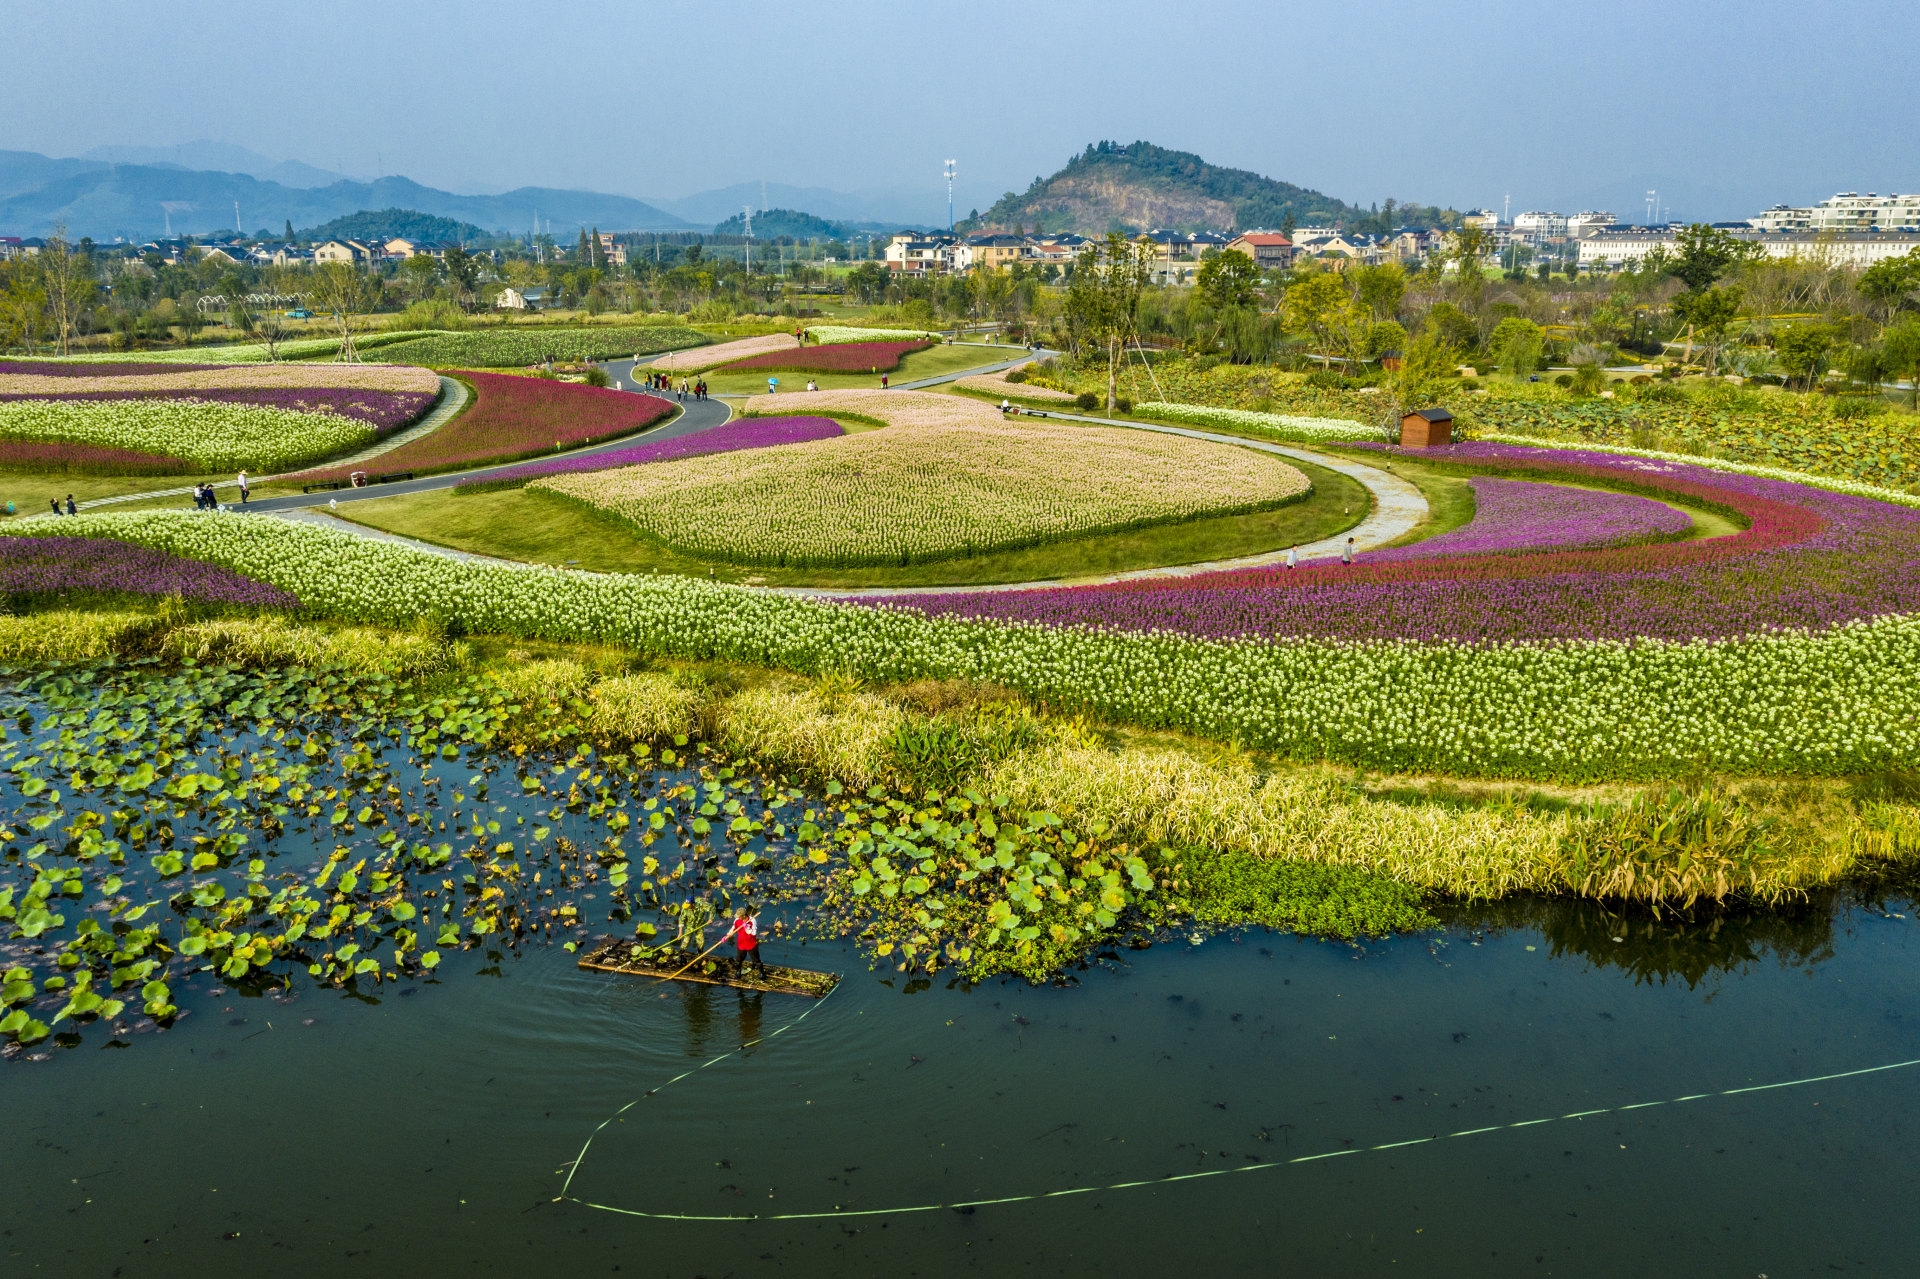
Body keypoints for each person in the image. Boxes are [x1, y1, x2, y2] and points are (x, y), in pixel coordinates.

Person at [723, 906, 765, 980]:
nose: (738, 917)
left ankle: (761, 973)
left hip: (751, 944)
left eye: (739, 916)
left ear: (744, 915)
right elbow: (733, 929)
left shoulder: (752, 920)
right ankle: (738, 971)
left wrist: (746, 927)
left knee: (756, 960)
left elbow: (754, 933)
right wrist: (727, 936)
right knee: (739, 960)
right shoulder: (737, 920)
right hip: (741, 944)